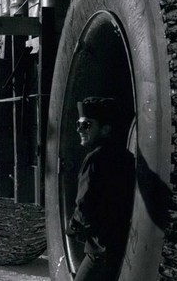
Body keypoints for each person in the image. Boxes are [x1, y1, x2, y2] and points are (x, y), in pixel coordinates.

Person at [67, 96, 135, 281]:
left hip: (99, 249)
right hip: (120, 247)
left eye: (87, 125)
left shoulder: (94, 159)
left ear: (106, 129)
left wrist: (73, 226)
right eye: (79, 124)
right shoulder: (127, 157)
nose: (80, 129)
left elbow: (84, 203)